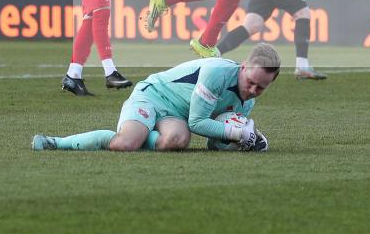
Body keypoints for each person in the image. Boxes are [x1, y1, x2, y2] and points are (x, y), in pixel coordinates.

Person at [32, 43, 280, 152]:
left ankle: (141, 134)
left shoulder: (248, 102)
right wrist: (236, 132)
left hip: (176, 115)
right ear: (244, 66)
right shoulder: (218, 71)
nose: (253, 90)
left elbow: (213, 143)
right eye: (251, 82)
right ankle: (55, 142)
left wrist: (244, 140)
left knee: (176, 141)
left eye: (261, 88)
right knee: (125, 144)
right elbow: (197, 123)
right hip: (153, 95)